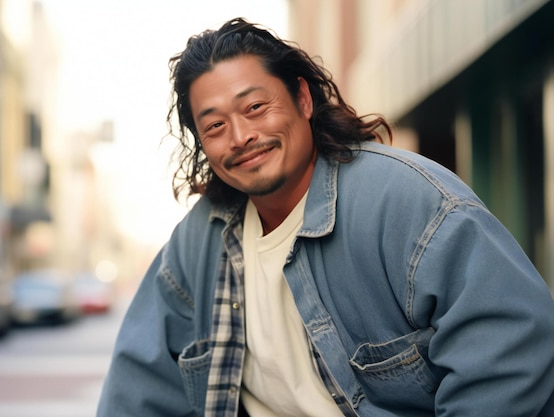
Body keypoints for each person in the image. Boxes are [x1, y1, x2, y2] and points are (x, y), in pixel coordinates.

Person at [97, 17, 554, 417]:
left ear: (302, 98)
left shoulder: (407, 202)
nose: (240, 136)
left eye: (255, 107)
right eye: (214, 126)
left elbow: (509, 352)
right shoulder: (200, 239)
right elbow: (138, 390)